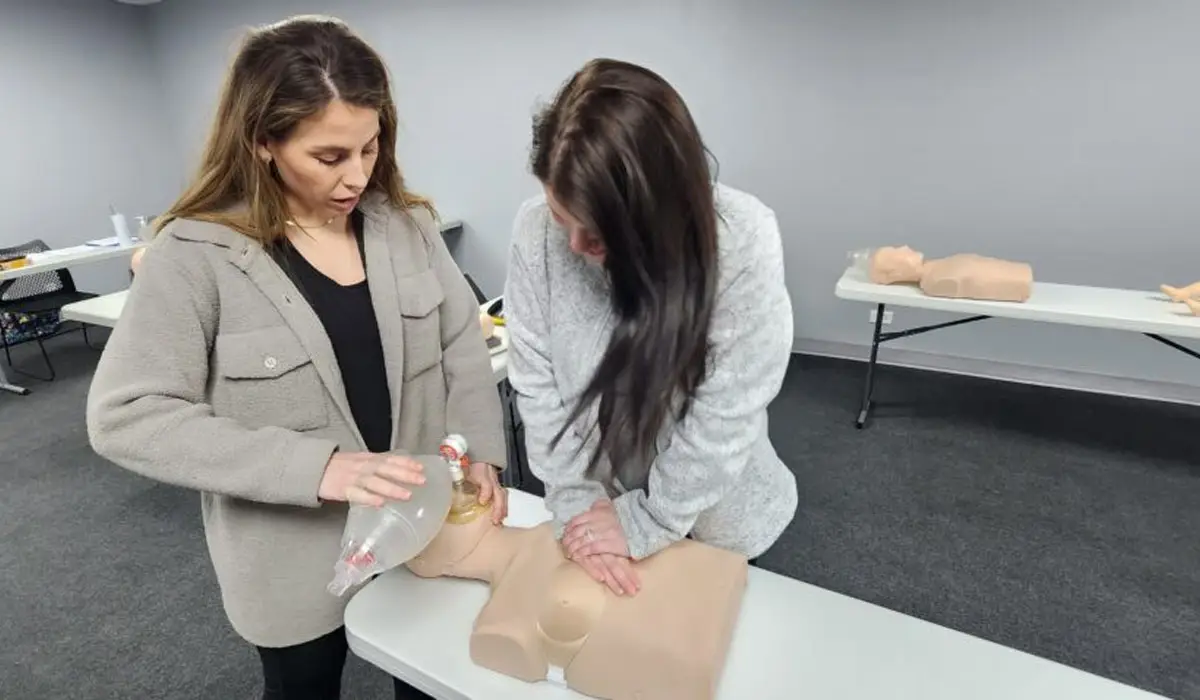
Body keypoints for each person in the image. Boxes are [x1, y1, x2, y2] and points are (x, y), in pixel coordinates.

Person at [86, 16, 507, 700]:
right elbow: (126, 417)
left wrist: (482, 450)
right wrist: (321, 470)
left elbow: (461, 345)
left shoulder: (407, 226)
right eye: (329, 157)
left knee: (430, 676)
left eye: (370, 148)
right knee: (305, 686)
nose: (358, 176)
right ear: (262, 143)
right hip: (291, 559)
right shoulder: (194, 256)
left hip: (423, 522)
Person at [503, 58, 798, 598]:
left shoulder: (742, 239)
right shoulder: (534, 232)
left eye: (596, 235)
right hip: (598, 509)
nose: (574, 249)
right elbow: (539, 386)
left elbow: (726, 411)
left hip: (714, 515)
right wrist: (574, 508)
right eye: (562, 219)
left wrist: (649, 520)